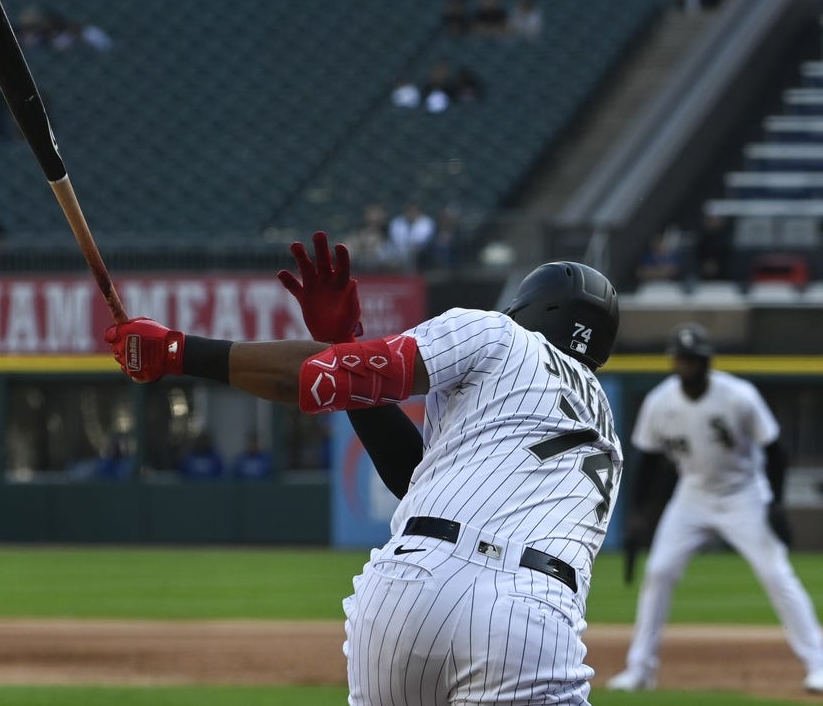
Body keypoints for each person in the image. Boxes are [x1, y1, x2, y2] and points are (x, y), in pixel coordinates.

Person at [105, 232, 623, 704]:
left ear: (530, 306)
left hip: (404, 589)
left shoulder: (499, 335)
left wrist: (177, 352)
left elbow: (313, 381)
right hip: (528, 609)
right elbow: (417, 476)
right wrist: (346, 348)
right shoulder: (606, 435)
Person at [607, 323, 823, 693]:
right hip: (692, 495)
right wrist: (640, 516)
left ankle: (818, 664)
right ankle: (640, 671)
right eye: (682, 359)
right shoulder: (660, 402)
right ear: (673, 363)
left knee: (776, 574)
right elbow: (649, 463)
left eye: (694, 359)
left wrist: (775, 503)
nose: (688, 365)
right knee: (659, 571)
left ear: (707, 361)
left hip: (744, 494)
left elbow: (775, 450)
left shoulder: (739, 395)